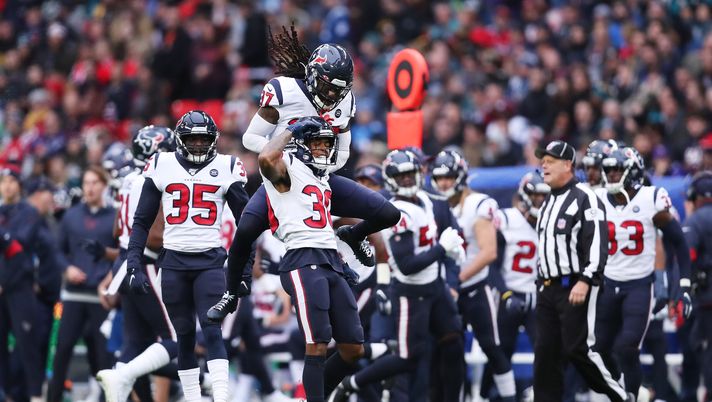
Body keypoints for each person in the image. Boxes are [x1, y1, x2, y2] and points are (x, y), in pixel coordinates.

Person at [207, 26, 400, 320]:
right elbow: (250, 139)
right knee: (245, 230)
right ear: (312, 77)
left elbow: (344, 153)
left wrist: (317, 167)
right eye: (329, 87)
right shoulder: (284, 91)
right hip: (282, 179)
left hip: (319, 179)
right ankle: (231, 292)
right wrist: (290, 151)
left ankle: (351, 235)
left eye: (339, 90)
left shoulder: (344, 102)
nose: (333, 95)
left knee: (387, 214)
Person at [126, 110, 250, 402]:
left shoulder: (227, 166)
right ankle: (194, 398)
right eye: (191, 139)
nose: (197, 145)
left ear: (214, 140)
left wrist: (245, 269)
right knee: (183, 335)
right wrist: (133, 261)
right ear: (180, 140)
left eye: (202, 139)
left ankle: (221, 396)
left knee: (212, 329)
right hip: (173, 263)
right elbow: (142, 220)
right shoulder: (161, 164)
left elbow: (247, 224)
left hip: (210, 261)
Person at [330, 149, 465, 402]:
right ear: (391, 179)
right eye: (400, 176)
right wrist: (442, 249)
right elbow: (407, 265)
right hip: (411, 292)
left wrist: (453, 255)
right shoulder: (398, 210)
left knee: (453, 343)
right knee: (407, 357)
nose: (406, 180)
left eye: (410, 174)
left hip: (436, 286)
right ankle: (352, 383)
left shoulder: (427, 200)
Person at [255, 115, 365, 402]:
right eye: (316, 143)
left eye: (325, 144)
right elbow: (266, 156)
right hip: (303, 261)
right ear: (302, 144)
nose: (322, 149)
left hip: (329, 260)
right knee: (316, 344)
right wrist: (291, 130)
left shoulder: (323, 178)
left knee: (353, 348)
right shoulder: (288, 168)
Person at [533, 140, 632, 402]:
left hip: (574, 284)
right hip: (547, 287)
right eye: (542, 160)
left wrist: (586, 280)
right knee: (545, 353)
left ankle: (619, 396)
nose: (544, 164)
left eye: (550, 160)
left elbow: (598, 244)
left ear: (568, 164)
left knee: (579, 349)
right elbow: (544, 248)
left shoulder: (585, 197)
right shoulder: (547, 203)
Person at [594, 147, 692, 398]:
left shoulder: (652, 198)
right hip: (607, 283)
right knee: (600, 349)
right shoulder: (598, 199)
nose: (612, 175)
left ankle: (632, 396)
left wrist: (682, 284)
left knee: (627, 348)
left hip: (639, 284)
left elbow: (678, 241)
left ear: (633, 172)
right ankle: (619, 392)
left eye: (617, 170)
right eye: (609, 170)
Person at [95, 125, 180, 402]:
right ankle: (122, 376)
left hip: (126, 263)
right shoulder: (156, 178)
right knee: (176, 338)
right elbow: (155, 238)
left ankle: (119, 386)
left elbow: (118, 232)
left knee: (136, 343)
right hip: (146, 265)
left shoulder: (130, 179)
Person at [430, 149, 517, 402]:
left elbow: (489, 253)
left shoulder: (478, 204)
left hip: (476, 287)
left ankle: (510, 398)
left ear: (461, 176)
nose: (444, 183)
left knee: (492, 346)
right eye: (440, 178)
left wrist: (455, 281)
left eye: (449, 177)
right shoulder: (434, 206)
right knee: (446, 350)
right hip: (447, 290)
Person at [48, 166, 117, 402]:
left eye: (95, 182)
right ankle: (53, 397)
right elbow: (57, 250)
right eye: (87, 182)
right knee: (63, 349)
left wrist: (108, 280)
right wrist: (67, 268)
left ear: (104, 186)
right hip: (73, 295)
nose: (90, 187)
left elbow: (122, 253)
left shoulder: (115, 216)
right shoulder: (72, 215)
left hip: (101, 297)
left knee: (102, 355)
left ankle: (107, 398)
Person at [0, 167, 46, 402]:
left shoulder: (29, 212)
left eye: (11, 181)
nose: (7, 186)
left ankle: (36, 395)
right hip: (1, 289)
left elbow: (19, 246)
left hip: (20, 287)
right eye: (3, 181)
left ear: (19, 184)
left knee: (27, 345)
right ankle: (7, 393)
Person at [682, 170, 712, 398]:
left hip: (707, 298)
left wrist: (682, 288)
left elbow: (687, 256)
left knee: (700, 344)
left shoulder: (697, 220)